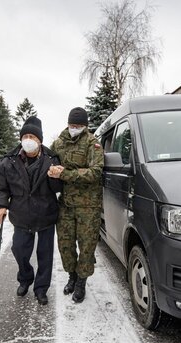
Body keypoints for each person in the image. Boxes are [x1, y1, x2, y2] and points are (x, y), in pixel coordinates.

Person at [0, 116, 62, 305]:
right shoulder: (8, 162)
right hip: (21, 215)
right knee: (20, 251)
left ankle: (41, 288)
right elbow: (1, 188)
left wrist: (55, 177)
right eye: (26, 136)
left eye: (33, 136)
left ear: (40, 140)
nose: (29, 140)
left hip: (46, 214)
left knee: (45, 255)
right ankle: (25, 278)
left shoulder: (52, 159)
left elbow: (58, 189)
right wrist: (0, 205)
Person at [48, 107, 104, 303]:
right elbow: (48, 164)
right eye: (73, 125)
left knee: (87, 246)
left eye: (79, 126)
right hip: (65, 204)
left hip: (88, 206)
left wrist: (65, 174)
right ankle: (72, 276)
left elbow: (95, 172)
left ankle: (81, 282)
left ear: (85, 126)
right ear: (68, 123)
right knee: (65, 245)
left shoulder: (92, 143)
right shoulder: (58, 143)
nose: (75, 128)